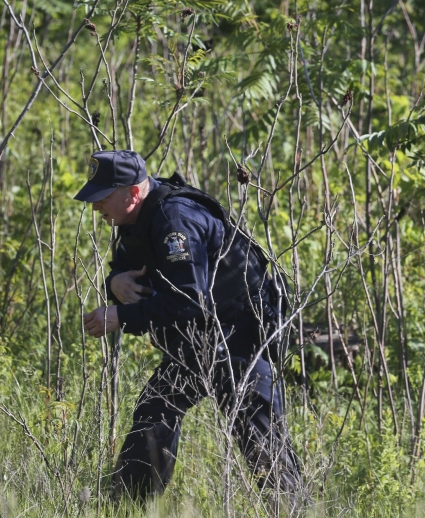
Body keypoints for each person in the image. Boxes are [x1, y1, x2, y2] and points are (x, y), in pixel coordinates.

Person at [74, 149, 303, 502]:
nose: (95, 206)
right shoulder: (138, 216)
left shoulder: (174, 220)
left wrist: (121, 317)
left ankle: (294, 509)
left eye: (102, 198)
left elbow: (189, 300)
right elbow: (133, 264)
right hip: (197, 341)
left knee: (262, 445)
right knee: (155, 412)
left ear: (132, 193)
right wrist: (115, 281)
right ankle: (127, 507)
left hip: (239, 340)